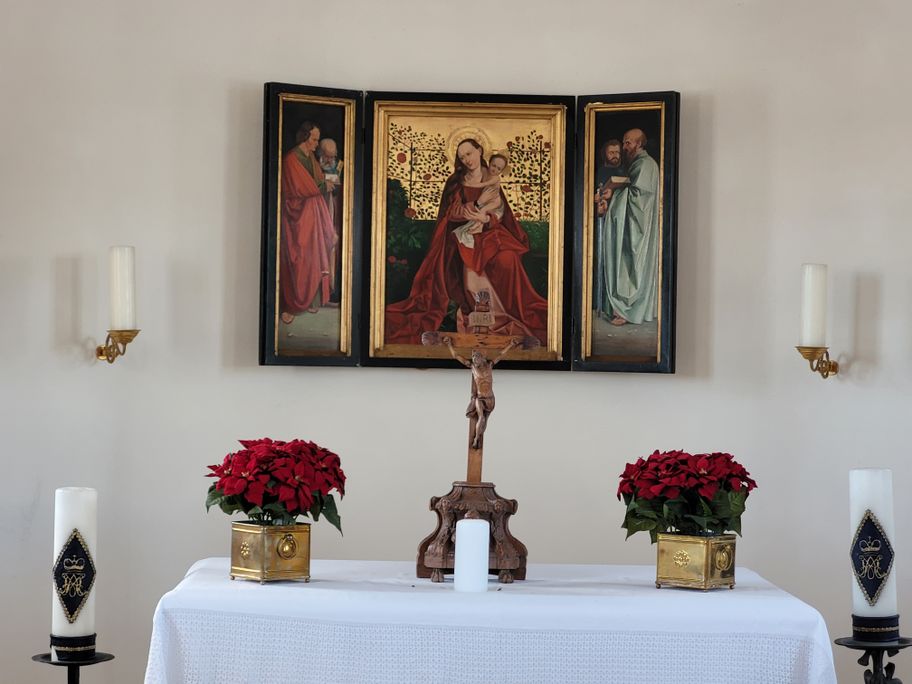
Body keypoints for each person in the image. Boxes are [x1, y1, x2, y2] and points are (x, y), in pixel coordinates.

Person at [385, 139, 548, 344]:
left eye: (469, 153)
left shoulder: (492, 178)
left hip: (490, 232)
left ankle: (509, 314)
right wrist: (478, 204)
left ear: (479, 151)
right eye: (462, 157)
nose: (467, 160)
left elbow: (500, 211)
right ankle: (488, 321)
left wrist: (487, 219)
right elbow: (452, 212)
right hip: (465, 235)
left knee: (508, 258)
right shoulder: (457, 181)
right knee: (471, 269)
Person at [596, 128, 659, 326]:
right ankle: (620, 309)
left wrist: (614, 195)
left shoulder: (645, 165)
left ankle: (627, 310)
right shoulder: (636, 164)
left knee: (629, 266)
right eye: (623, 143)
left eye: (627, 143)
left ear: (639, 144)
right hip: (629, 224)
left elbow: (639, 199)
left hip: (636, 227)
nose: (624, 148)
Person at [279, 121, 337, 324]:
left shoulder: (309, 157)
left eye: (317, 139)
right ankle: (292, 306)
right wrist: (323, 185)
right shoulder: (291, 160)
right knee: (300, 258)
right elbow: (302, 187)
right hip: (298, 219)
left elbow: (316, 180)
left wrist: (325, 182)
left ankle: (312, 301)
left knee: (313, 257)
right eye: (314, 139)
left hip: (312, 217)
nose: (316, 143)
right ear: (305, 138)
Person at [445, 336, 517, 449]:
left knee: (484, 421)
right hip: (480, 398)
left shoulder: (489, 366)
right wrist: (449, 344)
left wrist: (511, 345)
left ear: (483, 358)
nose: (474, 359)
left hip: (491, 400)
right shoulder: (473, 367)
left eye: (476, 356)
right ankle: (476, 440)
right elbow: (456, 356)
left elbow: (501, 355)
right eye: (473, 357)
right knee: (481, 417)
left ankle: (479, 437)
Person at [593, 140, 625, 315]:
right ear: (604, 154)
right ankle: (601, 304)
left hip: (620, 223)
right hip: (604, 220)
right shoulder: (600, 172)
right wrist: (597, 199)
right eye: (611, 152)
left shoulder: (623, 172)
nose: (615, 155)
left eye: (618, 152)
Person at [452, 152, 507, 248]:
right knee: (481, 211)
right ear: (489, 163)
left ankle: (478, 226)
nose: (495, 170)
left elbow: (482, 185)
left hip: (495, 201)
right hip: (487, 200)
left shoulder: (495, 178)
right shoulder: (483, 170)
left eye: (499, 169)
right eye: (493, 165)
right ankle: (478, 226)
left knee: (482, 211)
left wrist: (469, 184)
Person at [318, 137, 343, 303]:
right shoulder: (314, 169)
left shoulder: (339, 167)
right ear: (321, 154)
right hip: (317, 218)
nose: (331, 160)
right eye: (327, 157)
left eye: (333, 157)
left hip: (333, 216)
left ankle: (332, 289)